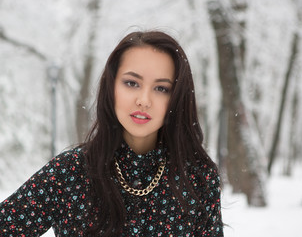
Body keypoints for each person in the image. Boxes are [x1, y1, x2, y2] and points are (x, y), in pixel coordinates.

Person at [0, 30, 223, 236]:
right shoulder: (70, 173)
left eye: (161, 88)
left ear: (177, 98)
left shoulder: (197, 178)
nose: (144, 100)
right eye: (132, 83)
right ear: (112, 87)